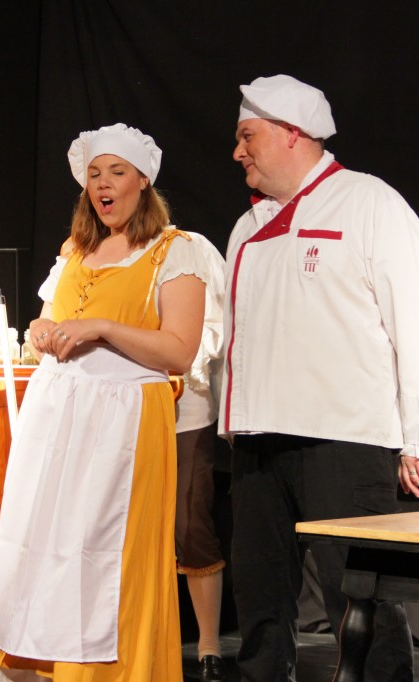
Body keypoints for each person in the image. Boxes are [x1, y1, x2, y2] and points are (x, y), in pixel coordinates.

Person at [220, 75, 419, 681]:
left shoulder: (369, 203)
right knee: (260, 601)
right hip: (258, 440)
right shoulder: (247, 227)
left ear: (291, 134)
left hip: (344, 439)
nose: (238, 152)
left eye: (247, 136)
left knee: (359, 598)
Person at [0, 123, 210, 680]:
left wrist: (102, 327)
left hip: (125, 420)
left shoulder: (176, 251)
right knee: (45, 542)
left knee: (109, 554)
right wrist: (41, 330)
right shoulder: (75, 250)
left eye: (117, 172)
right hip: (59, 416)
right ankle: (45, 664)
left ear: (143, 181)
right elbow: (50, 321)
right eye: (95, 174)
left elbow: (179, 351)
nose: (103, 184)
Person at [173, 234, 227, 682]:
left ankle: (208, 645)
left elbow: (220, 323)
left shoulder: (191, 248)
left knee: (191, 522)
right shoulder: (96, 252)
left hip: (185, 409)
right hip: (123, 412)